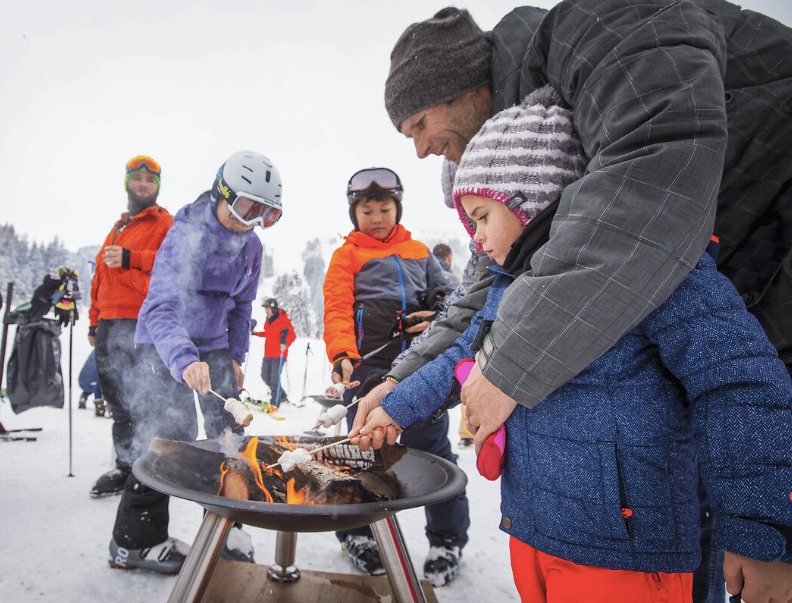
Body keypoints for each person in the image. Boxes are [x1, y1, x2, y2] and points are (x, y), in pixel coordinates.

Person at [369, 4, 792, 601]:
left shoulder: (594, 27)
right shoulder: (523, 274)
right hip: (545, 536)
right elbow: (468, 333)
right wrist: (398, 396)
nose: (419, 149)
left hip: (627, 549)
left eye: (417, 124)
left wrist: (765, 533)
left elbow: (739, 380)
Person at [105, 150, 282, 574]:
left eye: (265, 213)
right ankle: (135, 542)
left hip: (214, 345)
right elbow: (160, 307)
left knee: (229, 432)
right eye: (245, 207)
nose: (251, 221)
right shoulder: (187, 234)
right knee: (172, 438)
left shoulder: (250, 247)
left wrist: (235, 357)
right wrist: (184, 359)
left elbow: (242, 307)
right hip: (165, 345)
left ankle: (227, 526)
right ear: (223, 193)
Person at [322, 167, 466, 587]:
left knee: (433, 451)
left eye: (384, 207)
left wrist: (436, 306)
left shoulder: (420, 250)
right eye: (366, 210)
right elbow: (335, 308)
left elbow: (451, 296)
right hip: (368, 370)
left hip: (421, 370)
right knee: (362, 453)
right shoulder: (345, 256)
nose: (377, 216)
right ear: (355, 214)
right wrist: (344, 354)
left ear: (396, 207)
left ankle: (446, 539)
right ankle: (357, 534)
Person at [88, 156, 173, 498]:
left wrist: (131, 258)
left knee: (146, 401)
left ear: (157, 187)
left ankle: (150, 469)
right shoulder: (119, 226)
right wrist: (94, 321)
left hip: (143, 325)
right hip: (109, 326)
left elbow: (174, 265)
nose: (142, 185)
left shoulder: (165, 223)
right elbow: (99, 276)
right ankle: (125, 466)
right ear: (127, 183)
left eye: (149, 181)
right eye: (136, 179)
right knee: (119, 402)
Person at [252, 297, 296, 408]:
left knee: (274, 379)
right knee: (265, 376)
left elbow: (292, 335)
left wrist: (285, 344)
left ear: (273, 309)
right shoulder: (269, 319)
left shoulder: (283, 319)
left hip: (279, 355)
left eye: (267, 309)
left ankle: (275, 403)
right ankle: (282, 395)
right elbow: (268, 334)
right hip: (268, 353)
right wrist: (256, 333)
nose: (266, 311)